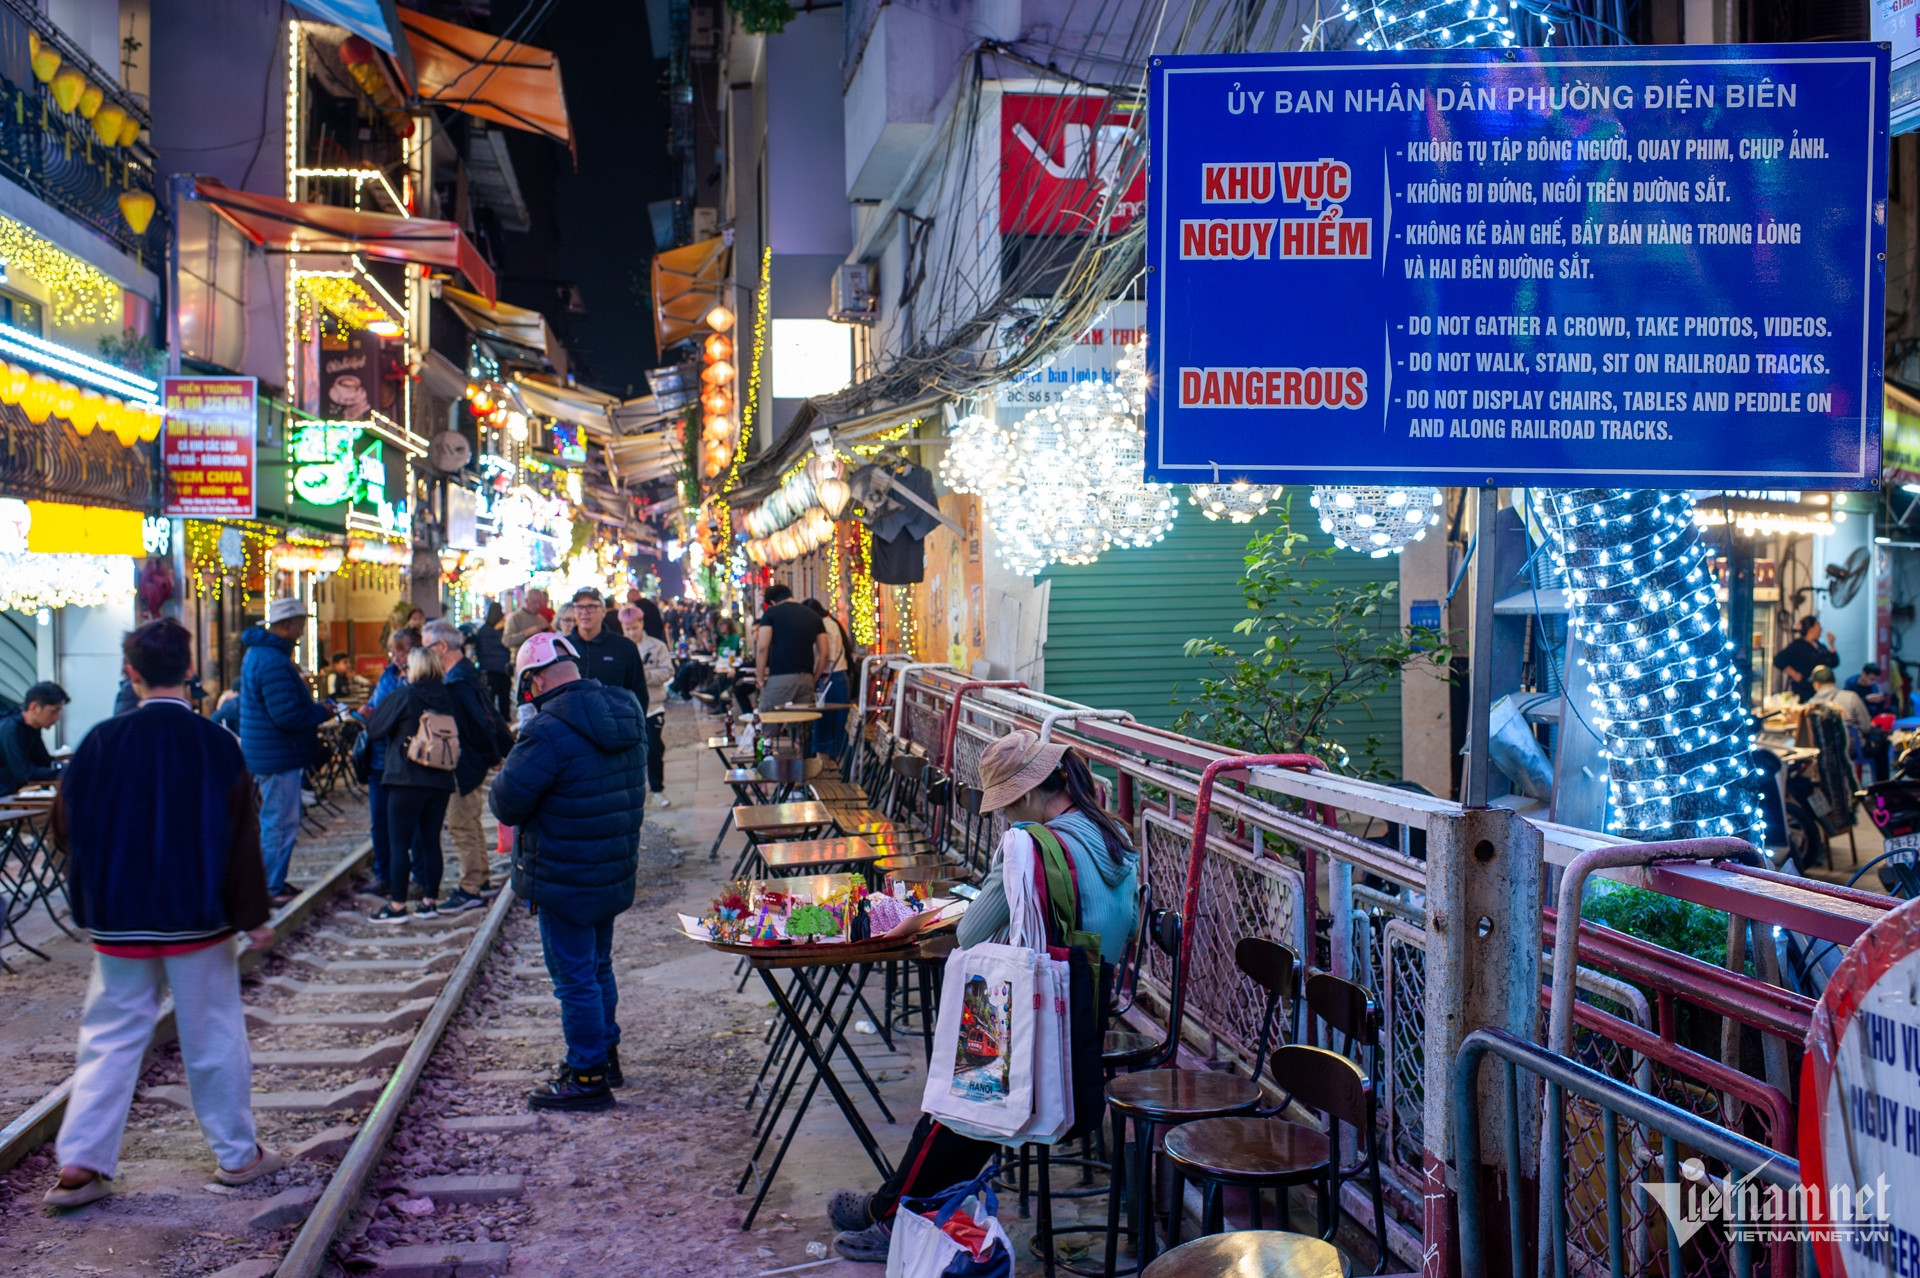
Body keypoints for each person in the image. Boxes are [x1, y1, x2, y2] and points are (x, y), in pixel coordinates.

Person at [829, 730, 1140, 1262]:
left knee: (960, 1097)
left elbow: (972, 932)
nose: (1004, 818)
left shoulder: (1032, 845)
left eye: (1008, 805)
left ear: (1030, 794)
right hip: (1092, 1006)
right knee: (974, 1095)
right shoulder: (1115, 837)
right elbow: (1122, 926)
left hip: (1044, 1015)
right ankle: (897, 1210)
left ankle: (891, 1218)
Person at [43, 619, 283, 1209]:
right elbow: (240, 838)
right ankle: (237, 1155)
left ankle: (80, 1162)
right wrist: (252, 914)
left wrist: (96, 891)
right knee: (213, 1034)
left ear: (131, 673)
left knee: (110, 1037)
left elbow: (64, 828)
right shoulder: (217, 744)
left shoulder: (99, 742)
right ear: (191, 669)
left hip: (119, 919)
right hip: (197, 919)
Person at [490, 633, 647, 1112]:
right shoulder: (625, 708)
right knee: (598, 966)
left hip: (564, 872)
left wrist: (519, 743)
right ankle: (607, 1055)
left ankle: (586, 1075)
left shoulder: (546, 730)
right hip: (611, 865)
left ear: (534, 680)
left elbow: (507, 802)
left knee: (574, 977)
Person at [364, 645, 491, 922]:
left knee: (400, 844)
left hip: (405, 779)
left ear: (415, 668)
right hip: (441, 779)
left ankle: (397, 906)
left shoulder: (405, 695)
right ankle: (428, 903)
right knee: (432, 841)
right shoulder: (450, 695)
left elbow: (376, 730)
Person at [239, 598, 334, 905]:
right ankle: (269, 887)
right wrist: (323, 712)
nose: (303, 628)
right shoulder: (272, 661)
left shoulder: (261, 655)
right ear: (289, 625)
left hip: (270, 752)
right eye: (301, 622)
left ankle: (272, 882)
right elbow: (286, 716)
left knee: (277, 821)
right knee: (280, 823)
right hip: (277, 754)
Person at [422, 619, 512, 912]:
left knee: (462, 824)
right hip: (472, 760)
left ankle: (470, 886)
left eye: (427, 648)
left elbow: (478, 722)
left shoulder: (456, 680)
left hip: (464, 762)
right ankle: (480, 880)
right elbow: (490, 716)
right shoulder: (465, 673)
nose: (425, 655)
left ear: (442, 646)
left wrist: (492, 754)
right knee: (469, 822)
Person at [355, 630, 414, 900]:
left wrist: (379, 717)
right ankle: (384, 875)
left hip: (405, 759)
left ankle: (416, 877)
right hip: (380, 757)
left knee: (408, 822)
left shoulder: (417, 677)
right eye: (394, 651)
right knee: (379, 821)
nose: (396, 657)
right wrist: (367, 712)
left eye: (401, 651)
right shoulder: (388, 675)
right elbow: (376, 706)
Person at [567, 589, 648, 714]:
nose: (585, 612)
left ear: (603, 611)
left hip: (613, 727)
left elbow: (639, 694)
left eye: (591, 606)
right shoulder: (562, 648)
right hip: (570, 727)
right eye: (579, 607)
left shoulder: (625, 648)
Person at [754, 584, 827, 710]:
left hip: (780, 678)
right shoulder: (814, 616)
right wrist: (814, 678)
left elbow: (762, 648)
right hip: (806, 679)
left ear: (772, 602)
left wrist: (760, 679)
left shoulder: (770, 614)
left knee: (768, 720)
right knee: (801, 724)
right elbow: (825, 653)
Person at [633, 599, 674, 808]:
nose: (631, 632)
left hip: (653, 705)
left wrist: (645, 675)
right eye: (627, 628)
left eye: (634, 626)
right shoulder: (621, 647)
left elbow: (668, 671)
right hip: (630, 708)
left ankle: (657, 788)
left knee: (654, 748)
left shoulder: (656, 646)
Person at [804, 598, 854, 760]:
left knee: (826, 723)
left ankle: (828, 767)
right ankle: (832, 765)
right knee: (834, 724)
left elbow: (825, 656)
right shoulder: (831, 623)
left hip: (831, 680)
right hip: (837, 679)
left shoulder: (825, 626)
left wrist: (814, 678)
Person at [1, 681, 66, 796]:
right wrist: (64, 771)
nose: (57, 717)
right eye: (53, 711)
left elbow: (44, 761)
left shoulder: (32, 728)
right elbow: (24, 773)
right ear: (34, 707)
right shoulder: (10, 729)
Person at [1774, 615, 1839, 704]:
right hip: (1804, 690)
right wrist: (1794, 674)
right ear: (1811, 629)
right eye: (1818, 625)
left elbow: (1834, 663)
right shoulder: (1798, 645)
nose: (1821, 629)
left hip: (1821, 690)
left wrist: (1832, 645)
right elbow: (1778, 660)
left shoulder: (1820, 646)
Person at [471, 601, 514, 720]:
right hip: (503, 668)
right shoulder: (505, 629)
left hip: (488, 669)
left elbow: (479, 649)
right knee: (504, 698)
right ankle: (505, 721)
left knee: (489, 698)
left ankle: (491, 720)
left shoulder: (483, 630)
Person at [503, 589, 550, 654]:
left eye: (540, 603)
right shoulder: (515, 617)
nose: (537, 606)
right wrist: (526, 633)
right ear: (526, 601)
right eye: (534, 602)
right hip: (519, 660)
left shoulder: (542, 619)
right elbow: (506, 641)